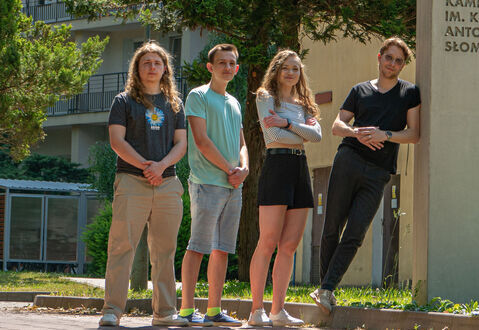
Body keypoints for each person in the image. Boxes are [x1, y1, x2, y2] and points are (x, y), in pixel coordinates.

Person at [311, 37, 421, 315]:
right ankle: (327, 289)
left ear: (403, 65)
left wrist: (385, 134)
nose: (392, 64)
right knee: (331, 228)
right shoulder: (359, 90)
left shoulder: (409, 93)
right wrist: (357, 133)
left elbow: (414, 133)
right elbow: (337, 126)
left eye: (398, 61)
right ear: (379, 57)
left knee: (356, 233)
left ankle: (325, 288)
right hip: (348, 160)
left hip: (379, 172)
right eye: (389, 58)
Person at [99, 41, 188, 327]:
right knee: (121, 247)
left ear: (165, 69)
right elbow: (117, 141)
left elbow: (181, 144)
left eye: (157, 62)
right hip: (131, 181)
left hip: (168, 183)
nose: (152, 67)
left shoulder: (175, 103)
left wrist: (161, 167)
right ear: (137, 69)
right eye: (146, 62)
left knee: (164, 251)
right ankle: (112, 311)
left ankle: (164, 314)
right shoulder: (123, 101)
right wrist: (146, 167)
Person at [248, 50, 322, 327]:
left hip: (300, 170)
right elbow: (273, 136)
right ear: (276, 71)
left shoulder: (304, 103)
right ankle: (257, 310)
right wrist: (299, 132)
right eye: (286, 68)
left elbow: (317, 136)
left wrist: (288, 122)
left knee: (289, 245)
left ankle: (278, 310)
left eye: (296, 69)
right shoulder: (265, 97)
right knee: (267, 242)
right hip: (277, 168)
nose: (292, 73)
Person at [175, 43, 248, 326]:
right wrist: (230, 169)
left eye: (232, 63)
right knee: (198, 246)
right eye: (222, 63)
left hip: (233, 185)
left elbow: (242, 143)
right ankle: (185, 311)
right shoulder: (198, 96)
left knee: (223, 250)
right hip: (207, 183)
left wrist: (244, 169)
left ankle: (214, 311)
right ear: (211, 67)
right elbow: (202, 141)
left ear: (236, 68)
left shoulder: (234, 102)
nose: (227, 67)